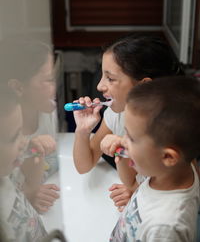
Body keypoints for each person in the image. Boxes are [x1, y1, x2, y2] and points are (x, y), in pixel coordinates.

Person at [73, 33, 182, 209]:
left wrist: (136, 191)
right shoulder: (117, 114)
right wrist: (83, 130)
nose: (99, 86)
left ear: (143, 86)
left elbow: (180, 187)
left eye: (110, 78)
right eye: (102, 76)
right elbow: (84, 165)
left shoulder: (173, 130)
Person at [101, 76, 200, 241]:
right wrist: (123, 152)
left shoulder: (165, 228)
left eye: (131, 138)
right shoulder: (170, 171)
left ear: (168, 156)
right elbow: (132, 184)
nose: (122, 140)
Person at [0, 38, 60, 213]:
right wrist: (28, 193)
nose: (55, 87)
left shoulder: (49, 113)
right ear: (17, 87)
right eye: (48, 80)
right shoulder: (5, 138)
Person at [0, 85, 47, 241]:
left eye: (21, 131)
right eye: (14, 137)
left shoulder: (5, 174)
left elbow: (26, 194)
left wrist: (37, 162)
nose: (23, 142)